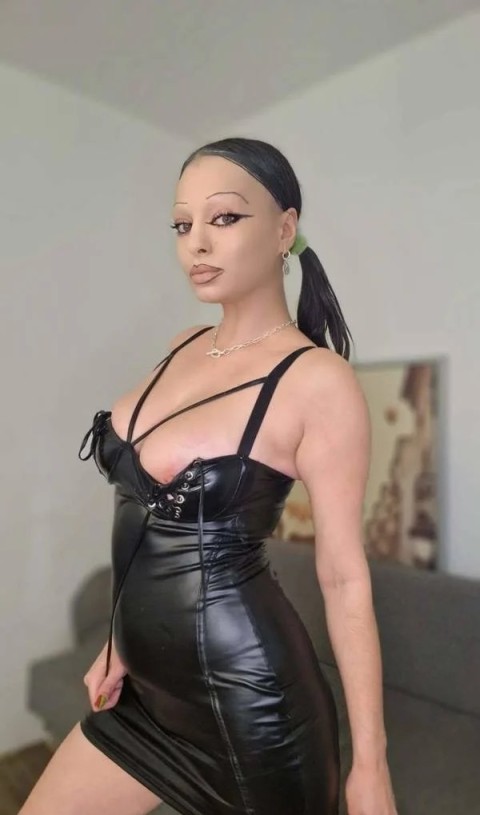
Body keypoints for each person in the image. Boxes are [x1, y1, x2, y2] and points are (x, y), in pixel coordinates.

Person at [21, 137, 397, 815]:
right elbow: (139, 521)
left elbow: (344, 578)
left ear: (284, 228)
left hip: (254, 714)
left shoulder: (316, 380)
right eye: (181, 224)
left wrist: (370, 764)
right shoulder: (181, 347)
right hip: (145, 701)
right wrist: (119, 637)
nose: (196, 242)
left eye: (224, 217)